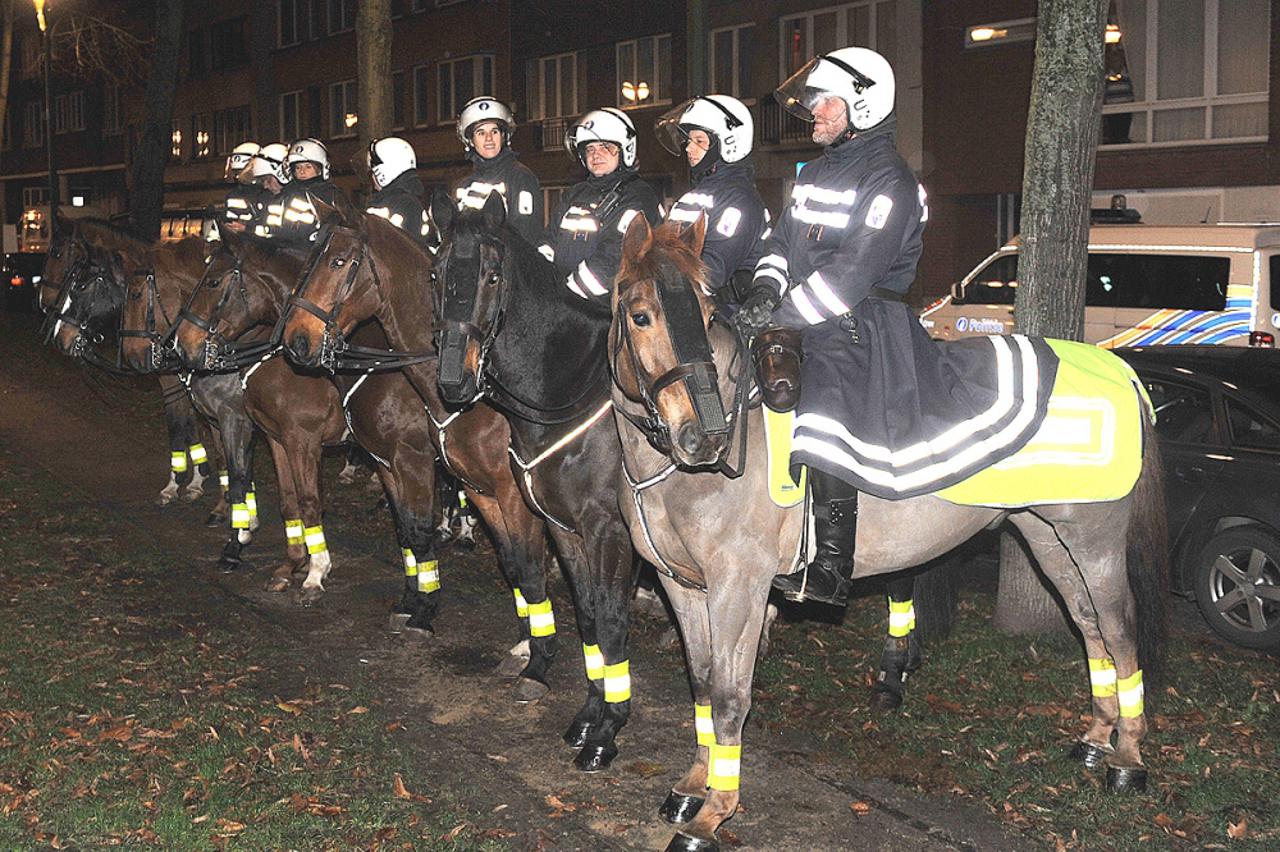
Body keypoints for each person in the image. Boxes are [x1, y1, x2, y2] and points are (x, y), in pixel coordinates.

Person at [739, 48, 1053, 608]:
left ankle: (831, 565)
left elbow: (852, 272)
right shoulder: (815, 173)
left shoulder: (892, 180)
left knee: (825, 403)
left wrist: (782, 314)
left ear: (863, 103)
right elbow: (779, 243)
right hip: (806, 311)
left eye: (824, 102)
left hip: (863, 321)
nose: (813, 112)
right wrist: (764, 288)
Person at [655, 94, 768, 306]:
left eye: (699, 141)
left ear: (727, 143)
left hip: (725, 316)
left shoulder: (740, 199)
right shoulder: (697, 194)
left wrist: (659, 283)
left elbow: (712, 271)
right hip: (686, 302)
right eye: (688, 141)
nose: (688, 148)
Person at [541, 107, 661, 304]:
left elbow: (613, 257)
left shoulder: (638, 195)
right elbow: (549, 239)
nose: (596, 155)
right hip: (564, 299)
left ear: (625, 150)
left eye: (606, 147)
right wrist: (542, 277)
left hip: (609, 307)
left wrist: (566, 294)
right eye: (590, 149)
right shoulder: (575, 193)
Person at [453, 96, 543, 246]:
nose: (489, 139)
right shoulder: (463, 186)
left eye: (494, 131)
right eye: (481, 133)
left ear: (504, 136)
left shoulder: (520, 177)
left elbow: (527, 235)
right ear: (471, 141)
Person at [272, 137, 350, 242]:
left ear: (320, 169)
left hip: (315, 251)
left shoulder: (331, 194)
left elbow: (344, 226)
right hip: (286, 249)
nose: (302, 172)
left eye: (308, 167)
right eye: (298, 167)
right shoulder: (287, 193)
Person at [366, 136, 433, 252]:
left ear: (383, 173)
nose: (371, 177)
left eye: (372, 171)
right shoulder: (410, 202)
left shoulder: (401, 206)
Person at [243, 142, 291, 239]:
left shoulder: (295, 200)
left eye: (267, 180)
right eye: (262, 181)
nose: (265, 186)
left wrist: (247, 229)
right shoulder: (268, 199)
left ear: (282, 174)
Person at [222, 141, 263, 234]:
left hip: (262, 246)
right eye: (236, 172)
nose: (238, 177)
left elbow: (275, 231)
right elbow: (227, 222)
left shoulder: (269, 194)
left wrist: (247, 229)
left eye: (240, 172)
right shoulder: (233, 195)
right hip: (240, 245)